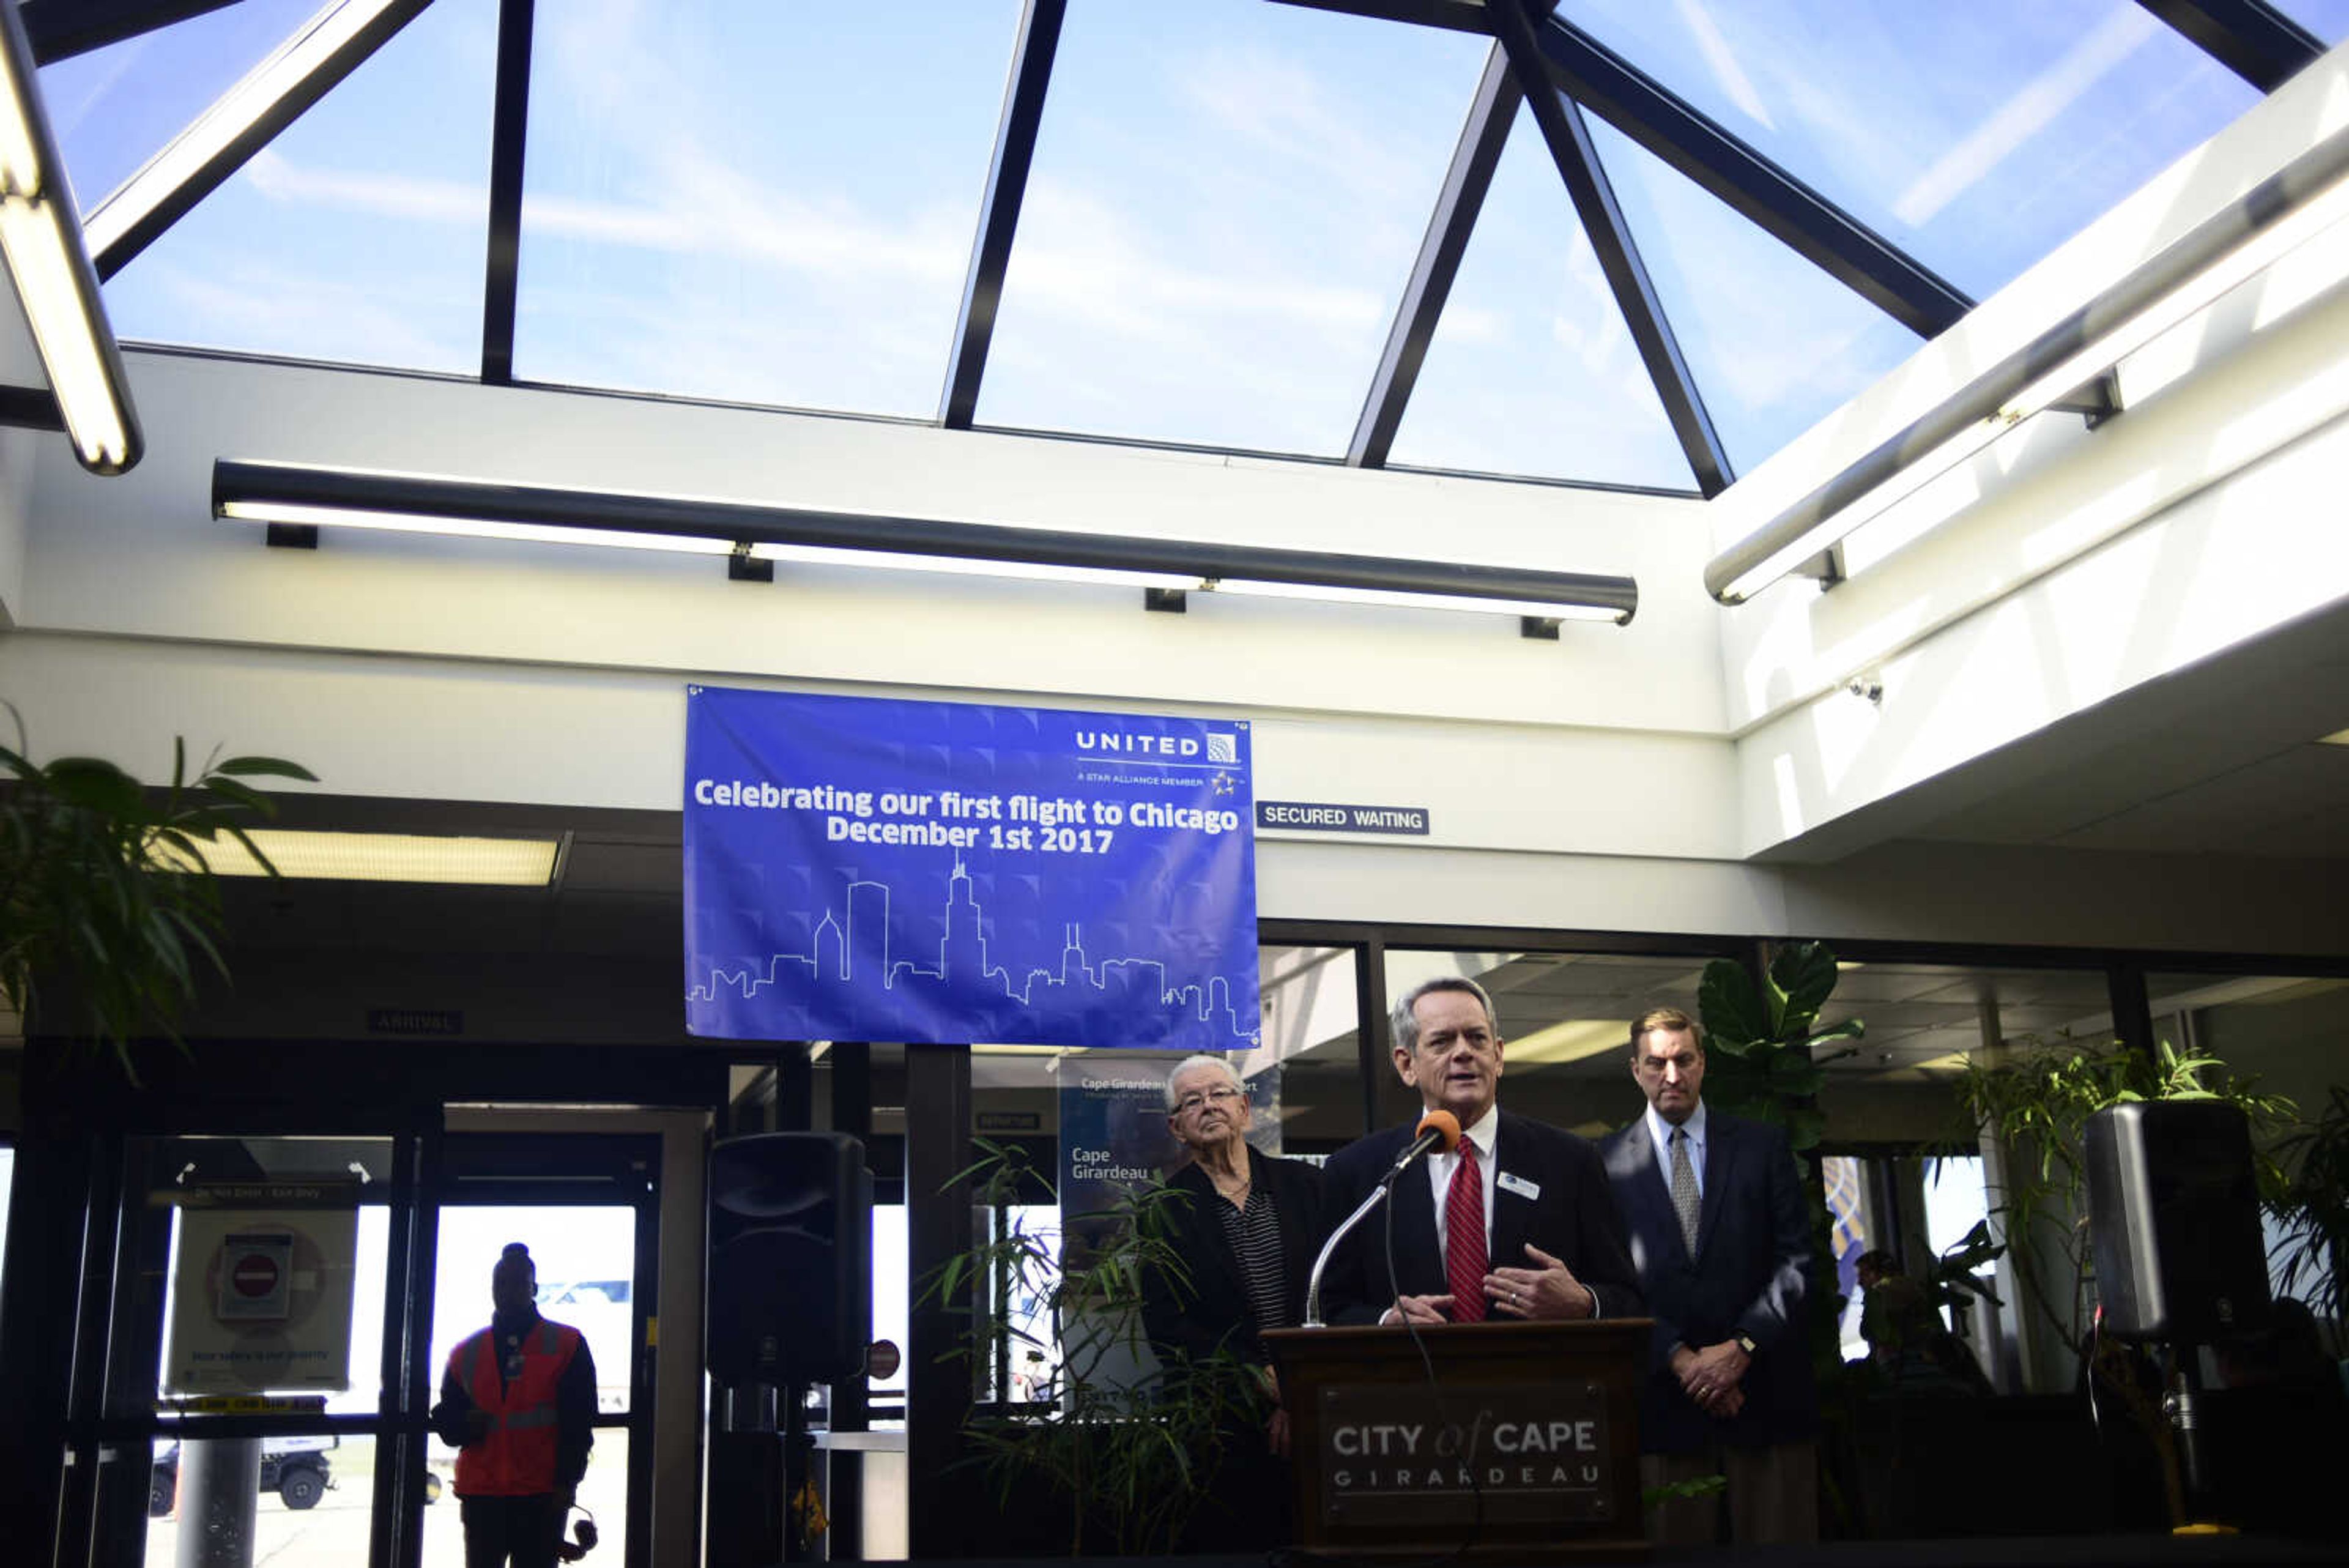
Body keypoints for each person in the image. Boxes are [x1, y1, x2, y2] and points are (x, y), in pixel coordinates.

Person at [1599, 1006, 1817, 1545]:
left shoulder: (1762, 1146)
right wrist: (1684, 1360)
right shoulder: (1602, 1164)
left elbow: (1797, 1261)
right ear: (1635, 1070)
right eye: (1656, 1063)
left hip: (1764, 1398)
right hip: (1664, 1409)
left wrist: (1740, 1349)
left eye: (1684, 1060)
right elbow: (1609, 1283)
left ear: (1703, 1063)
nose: (1671, 1076)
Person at [1318, 976, 1641, 1327]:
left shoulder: (1570, 1161)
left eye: (1476, 1038)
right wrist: (1384, 1322)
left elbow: (1628, 1298)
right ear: (1407, 1065)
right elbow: (1326, 1306)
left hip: (1539, 1377)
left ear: (1498, 1055)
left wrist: (1583, 1302)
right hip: (1411, 1376)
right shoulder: (1357, 1173)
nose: (1463, 1052)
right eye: (1442, 1041)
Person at [1138, 1054, 1326, 1547]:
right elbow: (1167, 1327)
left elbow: (1337, 1294)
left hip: (1319, 1410)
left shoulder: (1308, 1188)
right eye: (1192, 1101)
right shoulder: (1163, 1210)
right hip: (1220, 1426)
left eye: (1219, 1094)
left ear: (1244, 1107)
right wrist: (1256, 1380)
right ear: (1177, 1127)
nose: (1208, 1106)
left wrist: (1297, 1387)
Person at [430, 1243, 598, 1568]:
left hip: (541, 1496)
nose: (508, 1291)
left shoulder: (567, 1345)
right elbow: (449, 1423)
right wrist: (464, 1424)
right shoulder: (466, 1352)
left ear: (534, 1288)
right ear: (492, 1289)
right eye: (501, 1283)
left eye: (518, 1282)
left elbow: (579, 1424)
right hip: (483, 1497)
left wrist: (567, 1483)